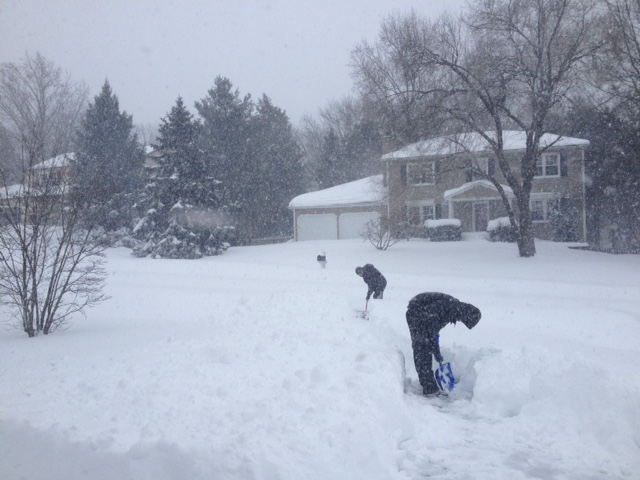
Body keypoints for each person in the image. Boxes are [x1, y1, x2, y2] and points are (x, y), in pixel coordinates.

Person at [405, 292, 481, 396]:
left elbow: (434, 330)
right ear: (466, 316)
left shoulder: (453, 309)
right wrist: (433, 346)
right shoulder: (448, 308)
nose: (461, 321)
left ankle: (429, 384)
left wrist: (436, 351)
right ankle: (429, 387)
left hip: (422, 315)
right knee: (421, 348)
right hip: (416, 313)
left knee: (425, 345)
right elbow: (430, 323)